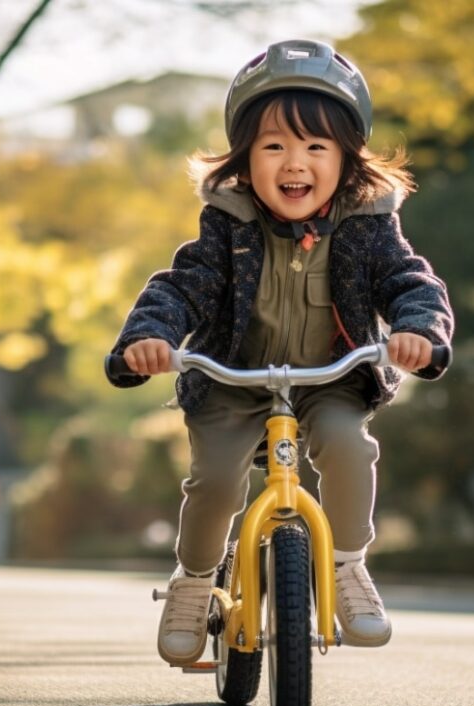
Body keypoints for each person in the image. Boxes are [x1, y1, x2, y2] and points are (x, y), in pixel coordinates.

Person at [108, 39, 453, 666]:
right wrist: (149, 339)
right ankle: (192, 582)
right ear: (245, 159)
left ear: (347, 160)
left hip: (330, 380)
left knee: (351, 448)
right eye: (274, 147)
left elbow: (410, 281)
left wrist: (420, 330)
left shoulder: (367, 224)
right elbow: (181, 288)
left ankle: (348, 565)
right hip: (232, 379)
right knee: (214, 481)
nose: (295, 162)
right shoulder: (228, 222)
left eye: (316, 147)